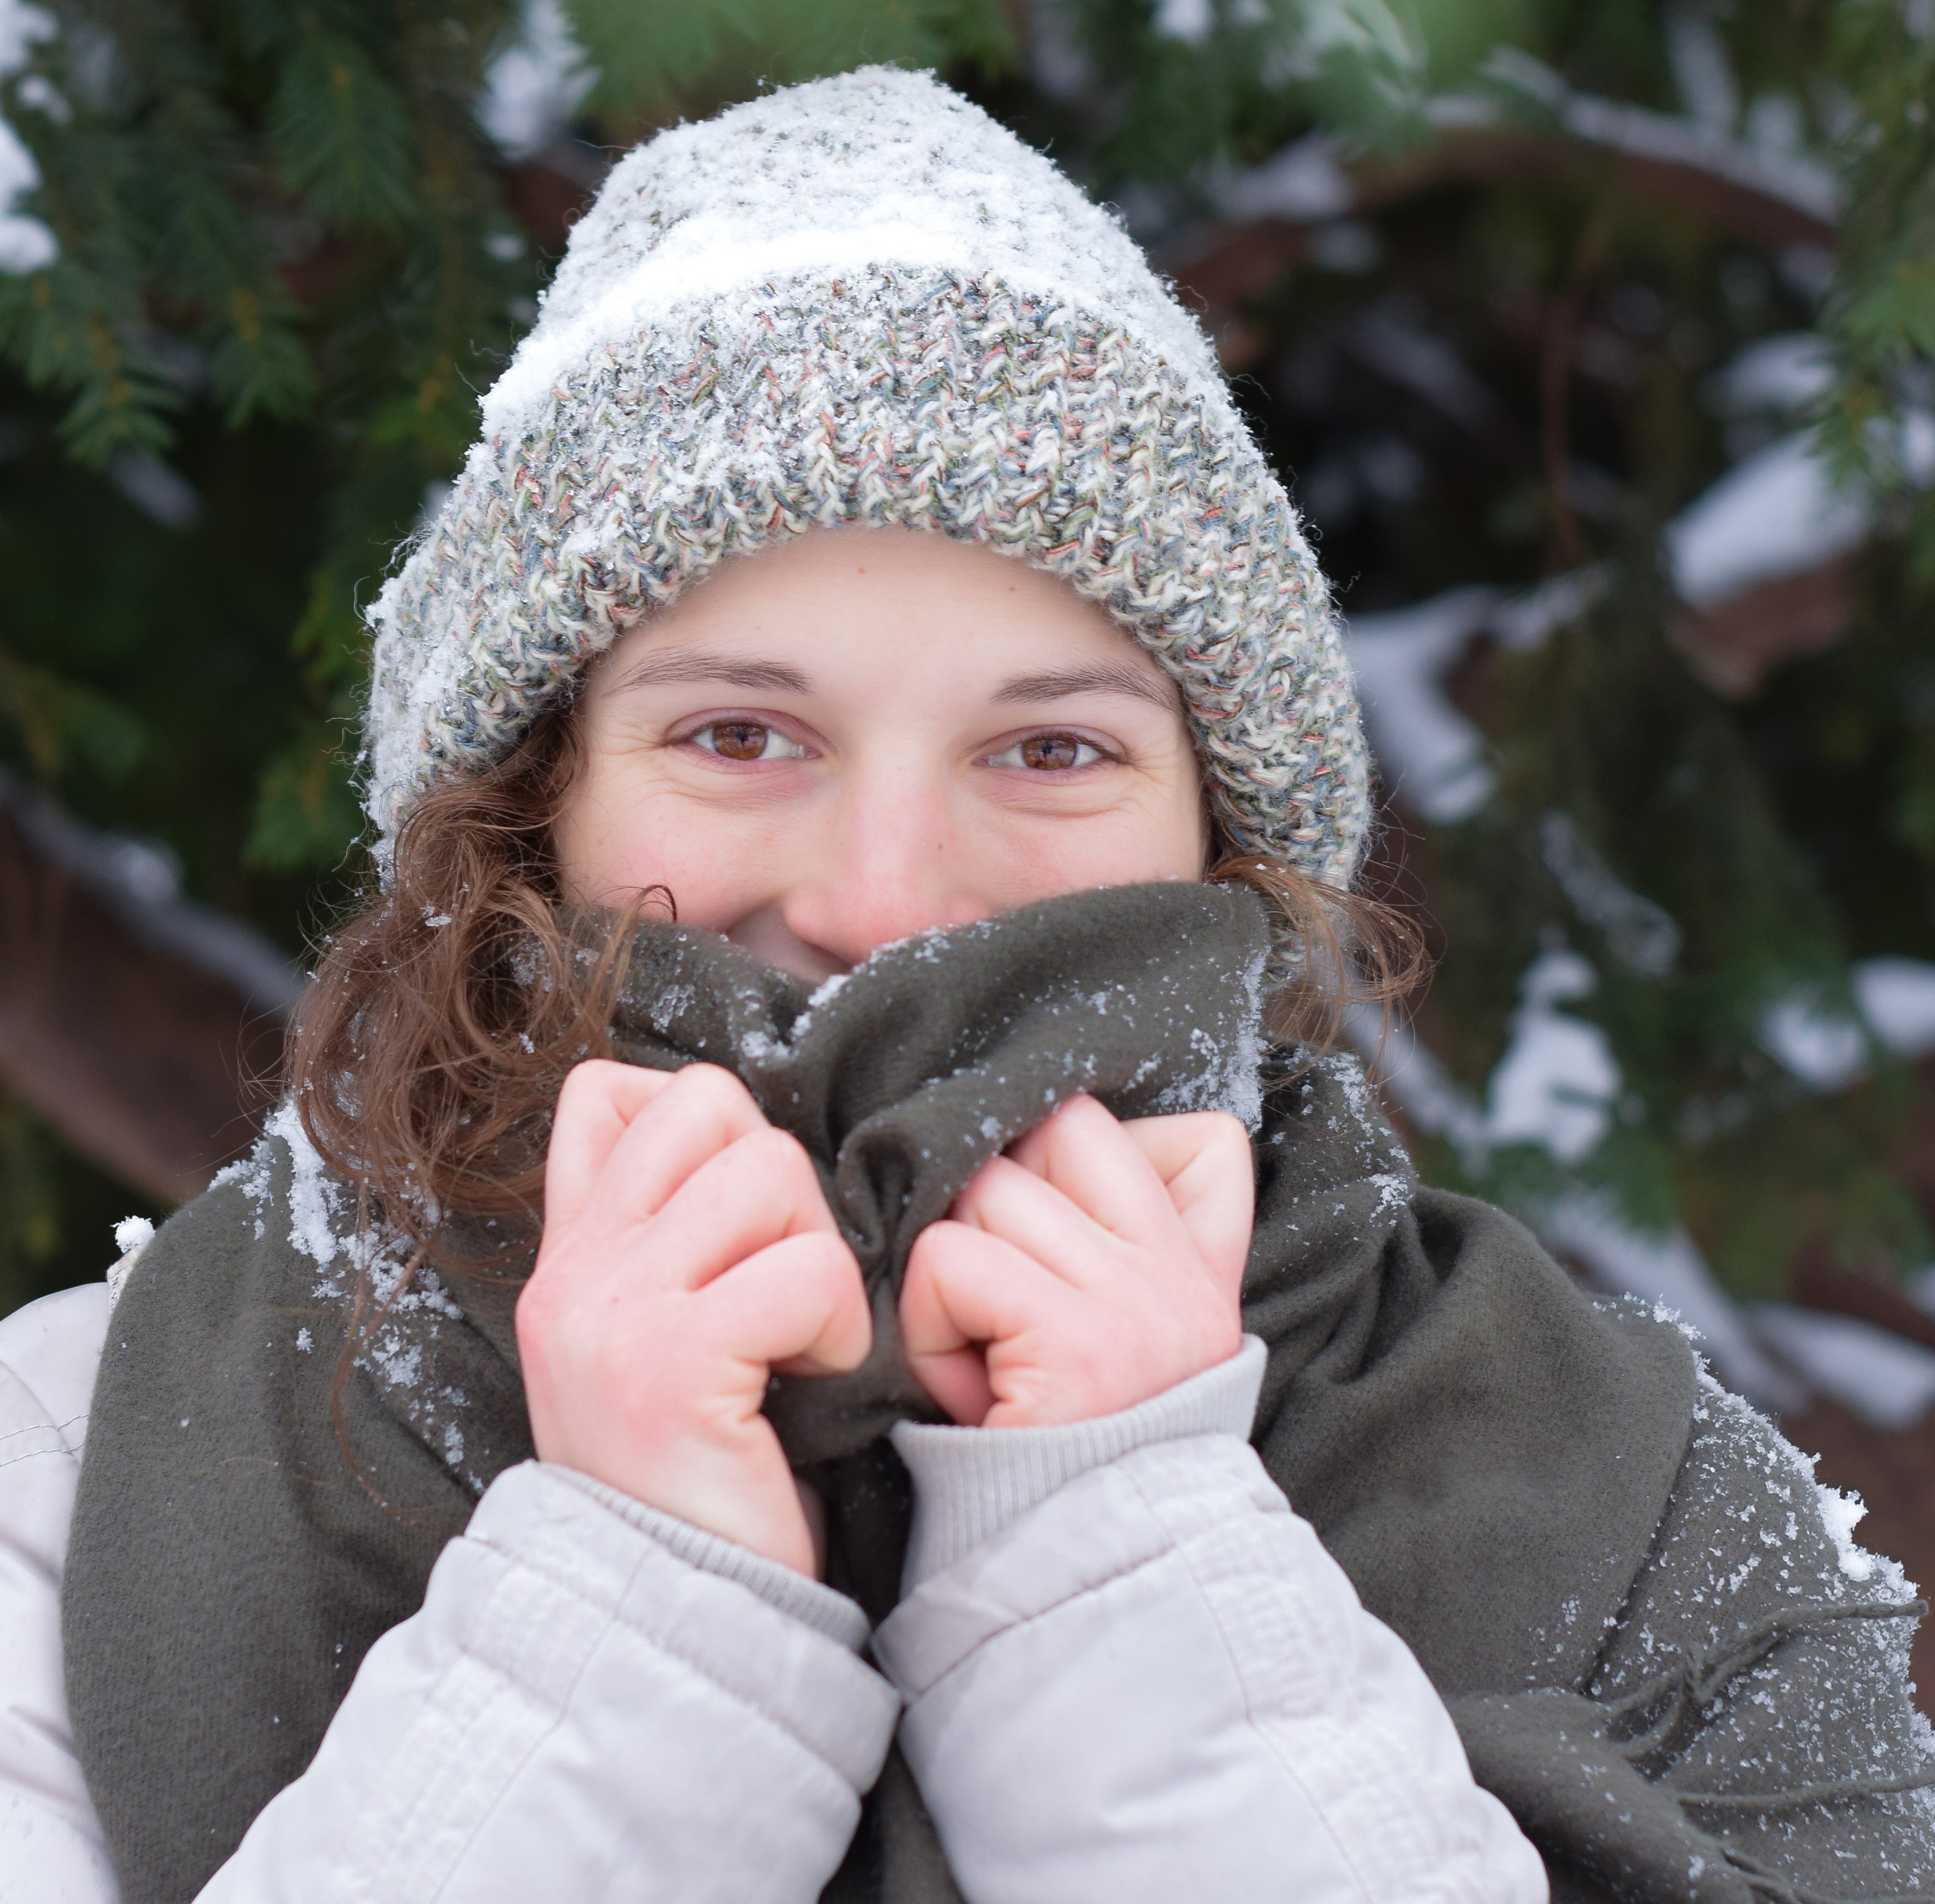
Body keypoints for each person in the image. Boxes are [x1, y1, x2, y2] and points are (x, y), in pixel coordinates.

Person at [2, 67, 1931, 1904]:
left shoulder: (1649, 1505)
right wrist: (630, 1607)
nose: (884, 901)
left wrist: (1128, 1575)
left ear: (1223, 837)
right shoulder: (70, 1474)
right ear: (526, 812)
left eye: (1050, 752)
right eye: (742, 737)